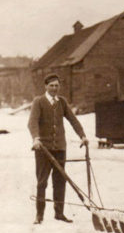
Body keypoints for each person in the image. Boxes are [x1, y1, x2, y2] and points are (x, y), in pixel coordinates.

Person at [28, 73, 88, 224]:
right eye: (51, 86)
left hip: (60, 148)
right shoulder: (39, 101)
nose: (54, 88)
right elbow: (32, 122)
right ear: (46, 87)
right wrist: (36, 138)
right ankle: (39, 215)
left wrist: (82, 135)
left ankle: (59, 213)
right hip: (43, 149)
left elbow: (73, 120)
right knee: (42, 182)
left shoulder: (62, 102)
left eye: (57, 85)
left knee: (60, 181)